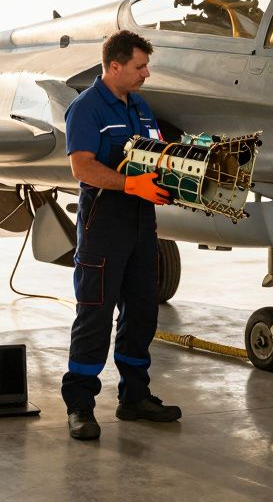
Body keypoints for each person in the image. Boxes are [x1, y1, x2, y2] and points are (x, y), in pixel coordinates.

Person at [60, 30, 181, 441]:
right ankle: (80, 405)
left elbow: (156, 155)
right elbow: (83, 168)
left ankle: (135, 397)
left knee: (143, 311)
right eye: (139, 66)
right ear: (115, 66)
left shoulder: (141, 106)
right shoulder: (86, 108)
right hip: (103, 224)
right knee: (95, 313)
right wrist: (132, 186)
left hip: (141, 225)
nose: (146, 73)